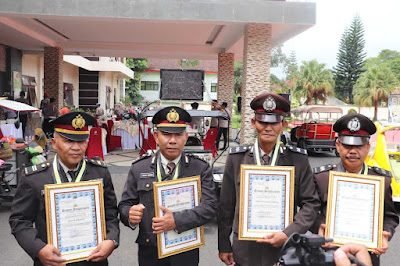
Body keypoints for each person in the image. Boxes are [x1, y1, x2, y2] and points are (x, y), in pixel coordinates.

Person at [218, 93, 320, 266]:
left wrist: (289, 232)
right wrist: (223, 244)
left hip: (283, 248)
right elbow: (226, 205)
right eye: (262, 122)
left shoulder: (298, 160)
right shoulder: (237, 159)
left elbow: (311, 203)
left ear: (283, 125)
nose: (268, 127)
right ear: (253, 123)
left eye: (273, 123)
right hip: (244, 249)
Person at [9, 111, 120, 266]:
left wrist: (112, 240)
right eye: (68, 141)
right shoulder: (35, 178)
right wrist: (38, 249)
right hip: (52, 261)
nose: (76, 147)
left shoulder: (100, 172)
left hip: (93, 260)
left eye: (81, 141)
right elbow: (20, 221)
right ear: (54, 143)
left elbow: (111, 214)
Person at [118, 106, 218, 266]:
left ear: (186, 137)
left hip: (185, 251)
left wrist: (177, 220)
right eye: (166, 134)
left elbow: (210, 207)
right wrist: (129, 214)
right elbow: (124, 205)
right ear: (156, 136)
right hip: (150, 250)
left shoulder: (199, 168)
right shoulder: (139, 168)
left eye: (178, 135)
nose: (172, 140)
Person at [312, 113, 399, 266]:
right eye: (347, 145)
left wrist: (384, 234)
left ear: (367, 147)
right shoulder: (322, 178)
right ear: (338, 145)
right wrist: (320, 226)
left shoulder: (381, 181)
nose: (352, 151)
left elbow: (390, 217)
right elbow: (310, 212)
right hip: (329, 254)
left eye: (358, 146)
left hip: (367, 256)